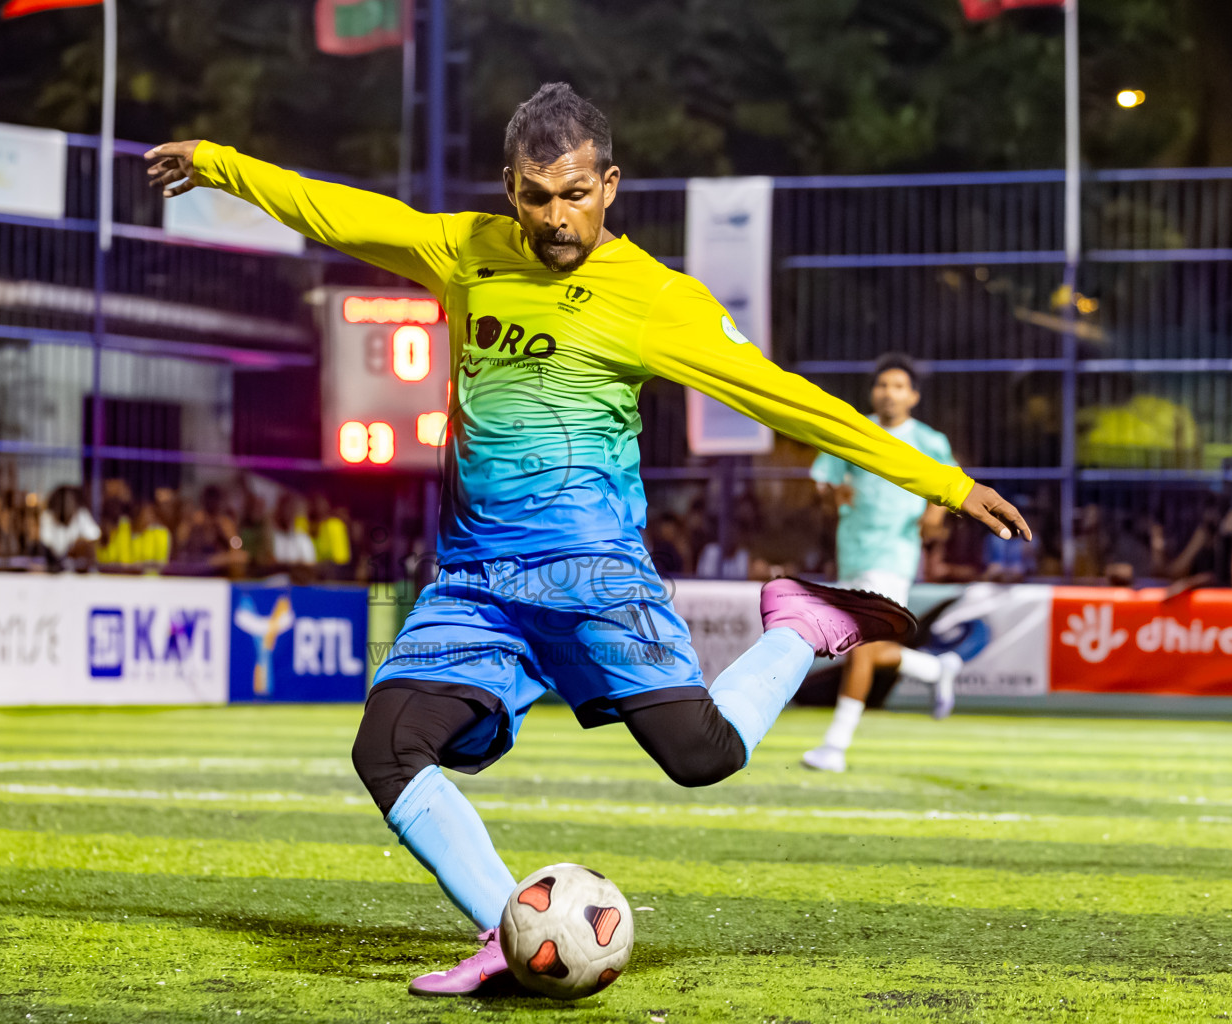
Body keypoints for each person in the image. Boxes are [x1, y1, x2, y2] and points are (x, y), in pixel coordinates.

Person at [146, 82, 1028, 997]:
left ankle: (800, 625)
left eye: (573, 193)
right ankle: (508, 931)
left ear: (611, 184)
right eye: (535, 196)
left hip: (594, 576)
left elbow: (787, 398)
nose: (554, 217)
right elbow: (341, 213)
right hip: (477, 585)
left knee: (702, 757)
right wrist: (219, 163)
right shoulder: (467, 251)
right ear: (509, 187)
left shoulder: (655, 299)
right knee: (387, 747)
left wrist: (947, 484)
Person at [803, 355, 966, 774]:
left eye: (898, 386)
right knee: (865, 647)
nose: (888, 392)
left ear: (912, 395)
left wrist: (936, 512)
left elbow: (950, 484)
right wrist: (829, 494)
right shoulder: (853, 431)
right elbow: (825, 479)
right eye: (882, 385)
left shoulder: (928, 440)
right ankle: (935, 668)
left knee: (863, 647)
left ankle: (835, 746)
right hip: (853, 550)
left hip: (894, 556)